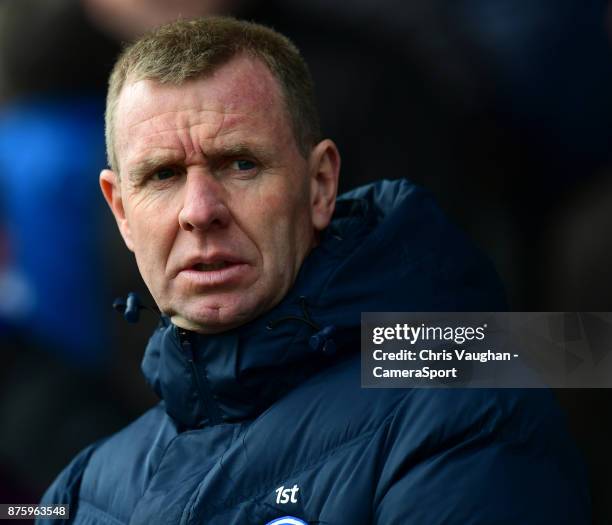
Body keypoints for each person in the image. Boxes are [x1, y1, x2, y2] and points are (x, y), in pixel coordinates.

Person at [39, 17, 589, 524]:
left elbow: (577, 352)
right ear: (121, 212)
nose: (200, 210)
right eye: (162, 175)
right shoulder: (80, 491)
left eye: (240, 163)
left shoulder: (465, 405)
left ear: (320, 185)